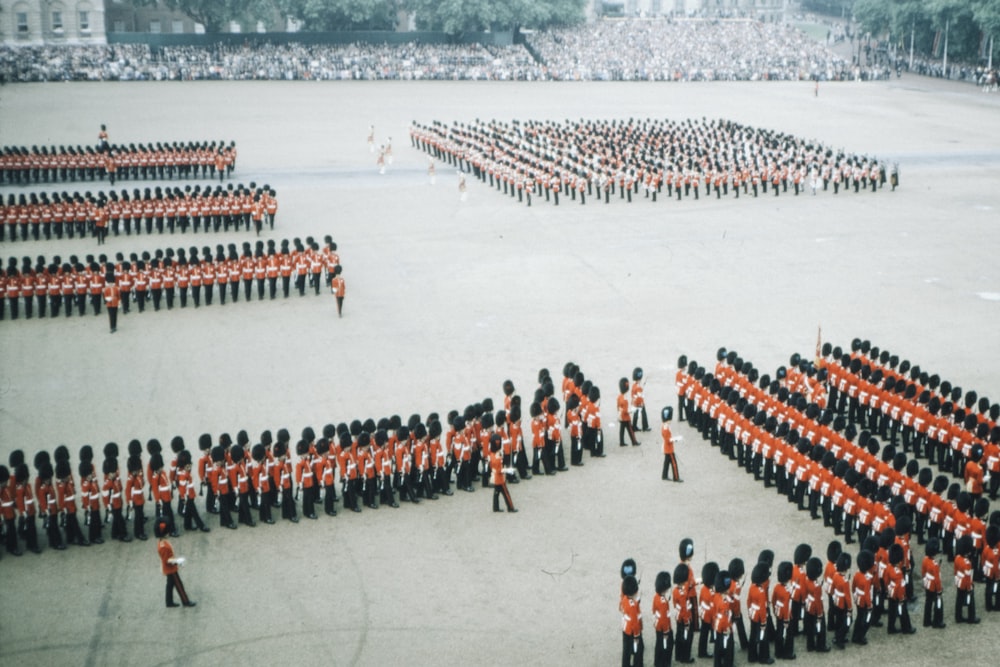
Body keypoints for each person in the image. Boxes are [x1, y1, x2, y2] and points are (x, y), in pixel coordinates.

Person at [155, 518, 196, 608]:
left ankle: (169, 602)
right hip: (171, 569)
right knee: (179, 585)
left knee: (170, 585)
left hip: (168, 568)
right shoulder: (164, 546)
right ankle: (185, 601)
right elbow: (167, 560)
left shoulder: (161, 542)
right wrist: (177, 561)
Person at [489, 434, 516, 513]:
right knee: (506, 494)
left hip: (496, 478)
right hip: (500, 479)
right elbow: (500, 470)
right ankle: (510, 507)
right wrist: (508, 470)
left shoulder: (492, 454)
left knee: (496, 493)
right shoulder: (497, 458)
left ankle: (495, 507)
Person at [922, 537, 945, 628]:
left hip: (927, 583)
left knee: (928, 602)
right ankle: (937, 622)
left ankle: (926, 621)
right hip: (934, 586)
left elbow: (923, 572)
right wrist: (939, 590)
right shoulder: (934, 565)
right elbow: (937, 580)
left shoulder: (925, 559)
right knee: (938, 603)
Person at [621, 574, 644, 667]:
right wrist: (636, 636)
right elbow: (635, 623)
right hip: (633, 632)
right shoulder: (633, 605)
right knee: (639, 650)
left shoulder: (625, 599)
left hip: (626, 629)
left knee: (626, 651)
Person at [651, 570, 673, 667]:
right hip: (664, 628)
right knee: (666, 646)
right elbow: (664, 619)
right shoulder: (663, 602)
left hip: (658, 625)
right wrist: (666, 632)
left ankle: (658, 663)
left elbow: (654, 609)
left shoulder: (656, 597)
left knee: (659, 645)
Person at [660, 407, 681, 482]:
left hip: (667, 447)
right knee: (674, 463)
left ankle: (664, 475)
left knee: (666, 462)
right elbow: (668, 440)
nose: (670, 421)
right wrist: (676, 439)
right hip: (669, 449)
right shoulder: (666, 428)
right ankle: (676, 477)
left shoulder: (664, 426)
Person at [618, 378, 640, 446]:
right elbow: (625, 411)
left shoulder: (619, 397)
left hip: (621, 416)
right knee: (630, 430)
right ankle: (634, 441)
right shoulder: (625, 400)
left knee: (621, 430)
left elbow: (618, 407)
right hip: (626, 418)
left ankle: (621, 442)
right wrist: (631, 411)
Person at [631, 367, 649, 432]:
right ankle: (645, 426)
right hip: (639, 403)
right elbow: (640, 396)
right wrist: (641, 403)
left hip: (634, 402)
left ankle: (634, 426)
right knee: (643, 414)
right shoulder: (638, 387)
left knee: (636, 414)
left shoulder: (634, 385)